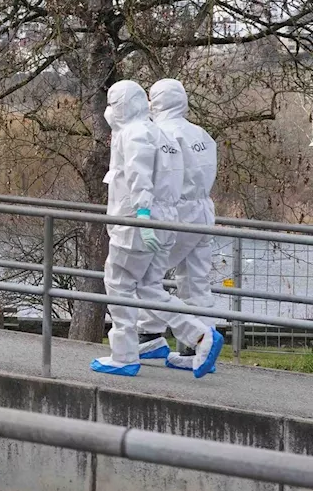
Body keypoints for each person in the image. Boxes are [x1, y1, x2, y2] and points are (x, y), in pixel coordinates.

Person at [91, 80, 223, 379]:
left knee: (121, 284)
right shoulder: (180, 134)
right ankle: (200, 336)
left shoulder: (140, 133)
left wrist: (143, 216)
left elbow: (139, 180)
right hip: (180, 215)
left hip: (143, 220)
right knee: (161, 285)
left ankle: (126, 353)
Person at [134, 79, 220, 372]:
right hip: (204, 213)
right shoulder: (202, 134)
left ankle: (151, 336)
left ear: (155, 101)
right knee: (196, 282)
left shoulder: (158, 134)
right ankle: (201, 348)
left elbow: (157, 178)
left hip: (175, 213)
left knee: (146, 277)